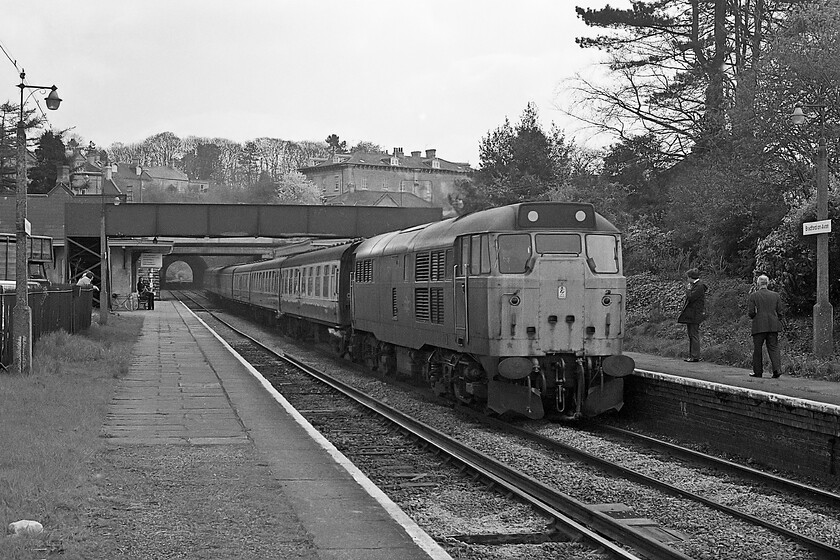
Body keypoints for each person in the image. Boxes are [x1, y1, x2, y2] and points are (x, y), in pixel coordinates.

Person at [747, 274, 785, 378]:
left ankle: (758, 372)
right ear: (767, 283)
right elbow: (780, 311)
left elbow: (751, 312)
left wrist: (754, 317)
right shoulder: (775, 295)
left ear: (758, 283)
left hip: (759, 326)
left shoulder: (753, 296)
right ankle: (777, 370)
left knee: (757, 349)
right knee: (773, 347)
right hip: (773, 325)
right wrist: (778, 319)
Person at [677, 268, 707, 362]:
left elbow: (691, 297)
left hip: (695, 314)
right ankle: (692, 355)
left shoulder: (699, 286)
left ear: (691, 278)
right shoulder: (697, 285)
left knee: (693, 334)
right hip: (692, 314)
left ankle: (695, 356)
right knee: (691, 334)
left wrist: (688, 290)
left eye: (688, 278)